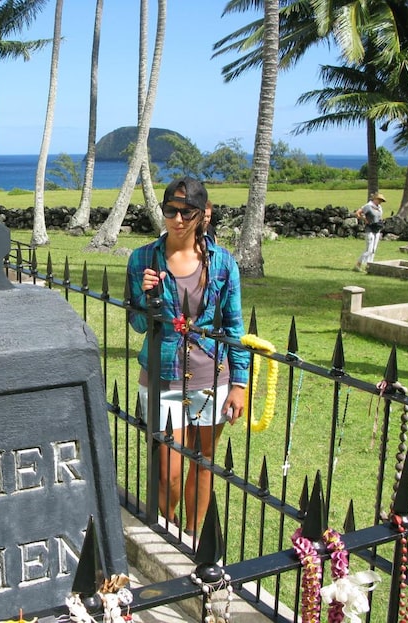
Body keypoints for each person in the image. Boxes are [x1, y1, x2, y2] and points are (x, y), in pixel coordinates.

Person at [127, 176, 250, 536]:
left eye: (186, 212)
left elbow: (234, 325)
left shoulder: (223, 263)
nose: (177, 220)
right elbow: (136, 324)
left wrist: (240, 382)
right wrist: (146, 298)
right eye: (170, 211)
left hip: (212, 378)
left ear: (203, 215)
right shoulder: (143, 259)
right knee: (169, 471)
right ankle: (168, 530)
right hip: (163, 376)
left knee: (203, 465)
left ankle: (195, 541)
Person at [354, 192, 386, 271]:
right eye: (379, 200)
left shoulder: (379, 207)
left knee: (373, 250)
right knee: (369, 250)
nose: (380, 202)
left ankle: (369, 266)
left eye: (381, 200)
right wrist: (365, 219)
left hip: (377, 229)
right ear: (375, 199)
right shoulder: (368, 206)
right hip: (370, 229)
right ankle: (358, 264)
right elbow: (358, 213)